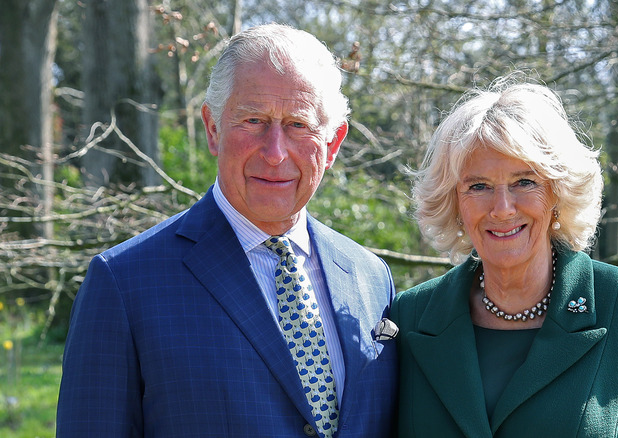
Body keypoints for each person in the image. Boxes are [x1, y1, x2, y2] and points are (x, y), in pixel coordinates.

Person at [57, 23, 398, 438]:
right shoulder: (124, 284)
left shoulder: (371, 278)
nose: (275, 153)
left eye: (297, 125)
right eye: (253, 120)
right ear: (213, 129)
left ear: (332, 143)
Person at [391, 77, 618, 437]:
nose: (502, 209)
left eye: (524, 182)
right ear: (454, 202)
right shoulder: (409, 317)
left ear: (558, 194)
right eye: (479, 186)